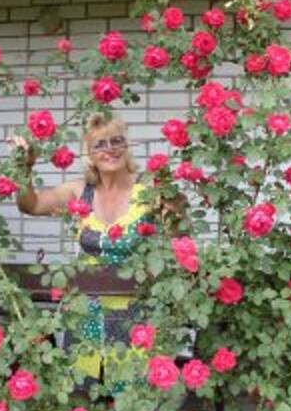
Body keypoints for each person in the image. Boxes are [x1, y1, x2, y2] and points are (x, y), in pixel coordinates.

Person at [14, 113, 180, 395]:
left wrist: (175, 210)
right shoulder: (80, 190)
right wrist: (24, 168)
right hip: (86, 309)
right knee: (83, 394)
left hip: (136, 311)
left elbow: (178, 234)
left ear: (126, 145)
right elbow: (31, 205)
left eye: (116, 141)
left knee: (131, 396)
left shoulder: (150, 190)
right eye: (100, 144)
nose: (110, 149)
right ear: (89, 154)